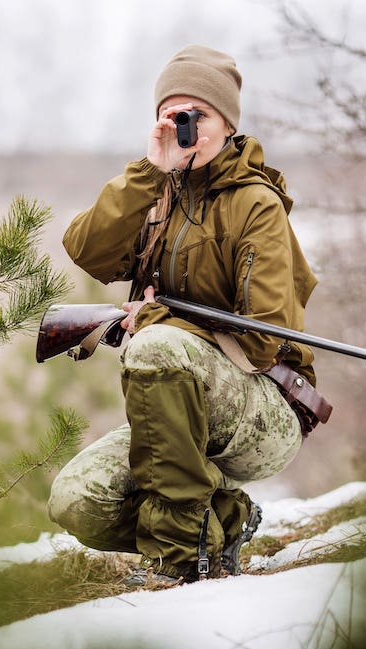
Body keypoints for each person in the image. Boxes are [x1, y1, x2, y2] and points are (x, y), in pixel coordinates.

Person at [47, 44, 329, 586]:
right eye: (172, 116)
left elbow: (260, 340)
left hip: (264, 410)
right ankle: (224, 521)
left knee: (155, 346)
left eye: (197, 115)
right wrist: (149, 173)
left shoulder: (256, 204)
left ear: (227, 123)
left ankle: (180, 561)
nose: (184, 127)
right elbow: (86, 248)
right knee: (76, 502)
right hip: (177, 419)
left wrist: (156, 323)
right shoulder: (157, 194)